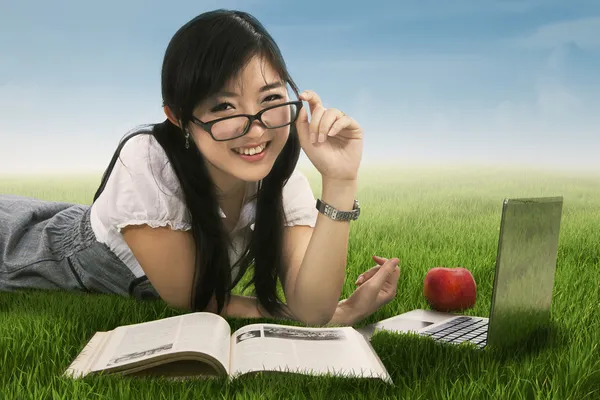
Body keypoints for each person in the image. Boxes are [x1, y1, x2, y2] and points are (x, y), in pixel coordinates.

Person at [0, 9, 401, 326]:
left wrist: (340, 179)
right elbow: (193, 299)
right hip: (33, 250)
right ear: (178, 118)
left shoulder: (279, 180)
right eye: (224, 106)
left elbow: (310, 306)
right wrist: (340, 314)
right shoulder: (147, 164)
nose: (256, 128)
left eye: (270, 99)